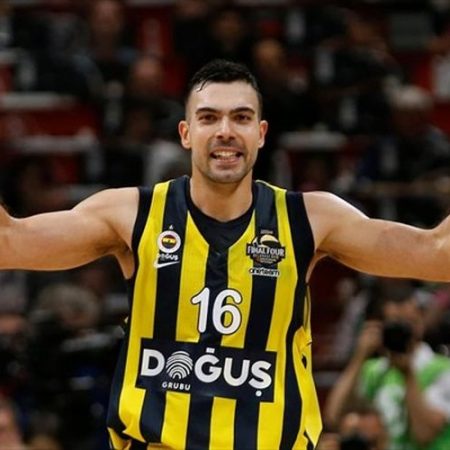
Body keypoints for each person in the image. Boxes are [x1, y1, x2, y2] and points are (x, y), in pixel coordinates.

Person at [0, 59, 450, 450]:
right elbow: (11, 242)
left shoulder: (310, 219)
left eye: (241, 117)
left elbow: (435, 255)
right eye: (209, 117)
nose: (225, 131)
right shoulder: (132, 214)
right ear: (186, 133)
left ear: (261, 133)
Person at [324, 281, 450, 450]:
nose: (401, 331)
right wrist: (359, 357)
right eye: (394, 324)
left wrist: (408, 373)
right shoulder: (373, 370)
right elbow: (334, 417)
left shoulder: (443, 369)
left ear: (420, 322)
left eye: (408, 323)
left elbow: (424, 434)